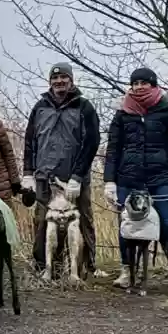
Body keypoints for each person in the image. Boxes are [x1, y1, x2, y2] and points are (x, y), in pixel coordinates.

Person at [103, 67, 168, 295]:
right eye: (136, 82)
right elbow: (113, 149)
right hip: (129, 178)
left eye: (145, 82)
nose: (140, 86)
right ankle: (126, 271)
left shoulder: (167, 110)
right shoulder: (123, 112)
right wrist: (109, 181)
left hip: (161, 177)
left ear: (154, 85)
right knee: (127, 227)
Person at [23, 63, 103, 277]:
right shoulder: (40, 107)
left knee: (82, 220)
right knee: (42, 222)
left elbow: (92, 142)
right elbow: (30, 141)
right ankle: (45, 267)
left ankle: (86, 267)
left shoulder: (83, 107)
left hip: (74, 178)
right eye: (55, 78)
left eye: (63, 78)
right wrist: (28, 173)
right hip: (44, 176)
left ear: (71, 80)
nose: (59, 82)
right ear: (50, 82)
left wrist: (78, 176)